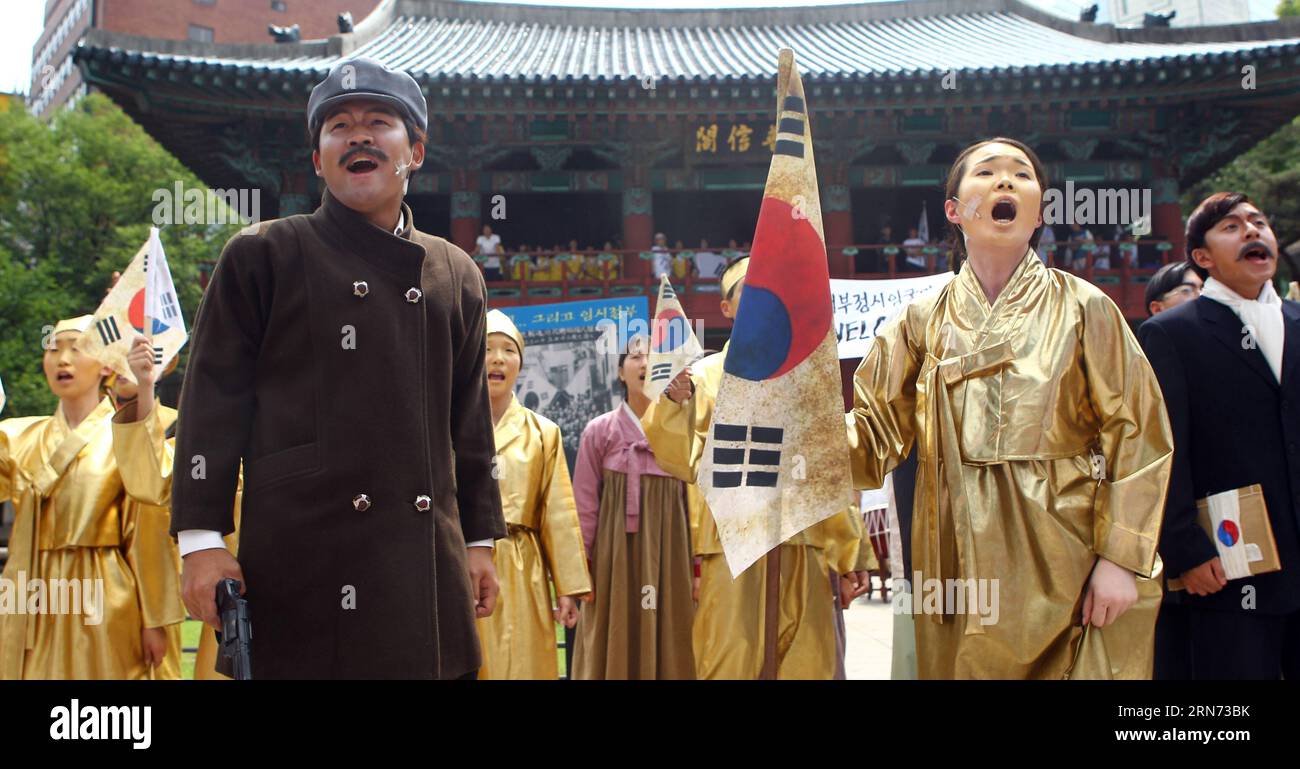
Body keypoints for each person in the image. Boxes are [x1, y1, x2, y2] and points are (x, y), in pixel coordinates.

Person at [171, 57, 506, 679]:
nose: (359, 135)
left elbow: (470, 426)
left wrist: (480, 541)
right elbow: (212, 405)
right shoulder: (262, 254)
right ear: (318, 159)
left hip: (423, 566)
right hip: (303, 563)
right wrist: (202, 540)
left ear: (416, 151)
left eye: (380, 122)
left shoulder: (456, 273)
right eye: (339, 126)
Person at [847, 137, 1173, 679]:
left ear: (1041, 209)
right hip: (951, 550)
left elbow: (1139, 435)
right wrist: (790, 423)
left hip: (1063, 544)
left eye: (1021, 175)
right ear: (953, 211)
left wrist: (1120, 558)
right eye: (987, 172)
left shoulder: (1085, 307)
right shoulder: (918, 322)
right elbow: (873, 435)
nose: (1004, 182)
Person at [646, 258, 874, 679]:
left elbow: (826, 469)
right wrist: (675, 402)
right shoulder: (705, 377)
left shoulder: (806, 381)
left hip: (804, 544)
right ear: (727, 308)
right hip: (734, 550)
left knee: (809, 664)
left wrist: (848, 550)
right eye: (750, 293)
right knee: (729, 662)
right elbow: (679, 456)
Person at [1138, 192, 1300, 679]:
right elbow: (1161, 450)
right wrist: (1185, 548)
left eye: (1258, 222)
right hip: (1229, 561)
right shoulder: (1172, 333)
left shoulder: (1297, 322)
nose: (1252, 231)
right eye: (1231, 227)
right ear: (1202, 258)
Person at [0, 316, 183, 679]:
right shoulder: (16, 438)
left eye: (77, 348)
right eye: (53, 348)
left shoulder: (126, 437)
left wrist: (153, 619)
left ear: (105, 365)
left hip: (105, 589)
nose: (62, 359)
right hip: (33, 590)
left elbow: (146, 529)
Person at [570, 335, 695, 679]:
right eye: (635, 357)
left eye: (653, 358)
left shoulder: (683, 430)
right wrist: (582, 569)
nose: (644, 364)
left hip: (671, 552)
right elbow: (585, 505)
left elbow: (696, 506)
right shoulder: (599, 432)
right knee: (615, 633)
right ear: (620, 372)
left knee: (673, 633)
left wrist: (698, 567)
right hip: (614, 558)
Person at [478, 310, 591, 679]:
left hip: (523, 563)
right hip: (463, 559)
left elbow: (557, 513)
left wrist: (568, 588)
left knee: (523, 662)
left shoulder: (544, 432)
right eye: (487, 348)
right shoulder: (446, 427)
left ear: (520, 364)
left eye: (508, 350)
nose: (497, 358)